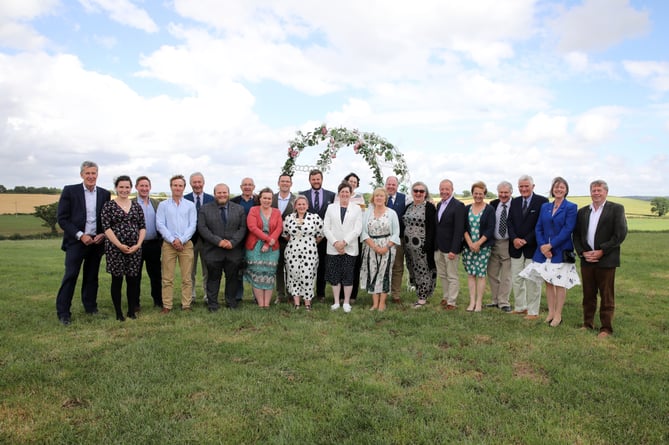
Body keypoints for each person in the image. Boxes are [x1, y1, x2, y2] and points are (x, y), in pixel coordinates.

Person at [55, 161, 111, 325]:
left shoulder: (104, 194)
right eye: (88, 173)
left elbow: (106, 219)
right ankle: (63, 312)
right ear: (81, 175)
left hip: (96, 242)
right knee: (71, 275)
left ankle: (91, 307)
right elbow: (62, 219)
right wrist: (80, 235)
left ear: (97, 175)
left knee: (91, 276)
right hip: (76, 242)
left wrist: (102, 234)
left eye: (94, 173)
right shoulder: (70, 191)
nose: (91, 176)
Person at [520, 176, 580, 327]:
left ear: (566, 190)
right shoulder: (545, 207)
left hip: (560, 250)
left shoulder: (571, 207)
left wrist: (551, 245)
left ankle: (558, 315)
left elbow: (568, 229)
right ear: (552, 189)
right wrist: (542, 246)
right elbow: (538, 227)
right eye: (556, 187)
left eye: (562, 187)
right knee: (548, 282)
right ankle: (551, 312)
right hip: (543, 252)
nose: (559, 189)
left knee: (560, 283)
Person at [573, 180, 627, 338]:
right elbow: (576, 235)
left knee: (606, 295)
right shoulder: (583, 212)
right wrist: (583, 253)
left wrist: (602, 250)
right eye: (593, 190)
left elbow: (620, 234)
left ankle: (606, 328)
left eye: (599, 190)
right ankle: (587, 323)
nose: (596, 193)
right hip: (587, 259)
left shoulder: (616, 209)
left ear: (606, 192)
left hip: (606, 259)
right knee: (588, 294)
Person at [101, 175, 146, 321]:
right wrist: (119, 245)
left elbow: (142, 227)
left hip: (134, 249)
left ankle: (131, 310)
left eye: (127, 187)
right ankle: (118, 312)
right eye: (121, 187)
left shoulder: (136, 206)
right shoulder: (109, 206)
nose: (124, 190)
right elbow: (106, 228)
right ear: (116, 188)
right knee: (117, 280)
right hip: (115, 249)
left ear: (131, 188)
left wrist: (138, 245)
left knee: (133, 280)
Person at [198, 183, 247, 311]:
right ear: (215, 194)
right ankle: (212, 304)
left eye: (224, 192)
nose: (222, 195)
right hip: (213, 250)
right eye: (219, 193)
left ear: (228, 193)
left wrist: (233, 242)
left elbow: (242, 228)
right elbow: (202, 228)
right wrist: (218, 242)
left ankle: (231, 302)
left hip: (233, 250)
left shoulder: (239, 209)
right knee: (213, 278)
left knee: (232, 278)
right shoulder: (205, 209)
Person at [507, 175, 548, 319]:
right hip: (516, 247)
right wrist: (514, 239)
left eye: (526, 186)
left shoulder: (542, 202)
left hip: (533, 248)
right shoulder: (515, 202)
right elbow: (509, 222)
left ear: (533, 186)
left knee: (532, 280)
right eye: (521, 186)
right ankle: (520, 307)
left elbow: (541, 224)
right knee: (517, 279)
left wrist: (525, 240)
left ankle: (533, 311)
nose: (523, 189)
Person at [156, 175, 197, 313]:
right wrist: (172, 240)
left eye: (180, 185)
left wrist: (182, 240)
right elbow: (160, 224)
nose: (177, 188)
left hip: (186, 244)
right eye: (175, 185)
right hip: (169, 244)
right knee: (167, 277)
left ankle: (186, 304)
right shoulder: (163, 205)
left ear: (184, 188)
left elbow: (192, 225)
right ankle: (167, 305)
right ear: (171, 186)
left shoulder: (190, 205)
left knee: (187, 277)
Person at [323, 182, 362, 313]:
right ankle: (335, 302)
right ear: (338, 193)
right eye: (342, 192)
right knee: (335, 276)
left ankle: (346, 302)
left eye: (347, 192)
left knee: (348, 275)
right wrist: (336, 243)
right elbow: (326, 228)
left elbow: (357, 229)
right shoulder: (330, 208)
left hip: (349, 247)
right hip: (333, 247)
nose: (344, 194)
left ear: (351, 194)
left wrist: (344, 242)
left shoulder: (356, 209)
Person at [360, 188, 400, 311]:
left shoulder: (392, 213)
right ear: (373, 198)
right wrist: (374, 246)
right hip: (371, 246)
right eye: (376, 195)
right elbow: (364, 232)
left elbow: (396, 233)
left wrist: (386, 247)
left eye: (381, 196)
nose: (378, 198)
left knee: (384, 273)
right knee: (373, 272)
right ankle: (375, 303)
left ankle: (382, 302)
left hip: (387, 247)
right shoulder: (367, 213)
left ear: (385, 198)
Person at [282, 195, 324, 310]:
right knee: (293, 275)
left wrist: (311, 242)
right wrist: (295, 242)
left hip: (309, 252)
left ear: (307, 205)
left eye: (303, 204)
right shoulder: (289, 218)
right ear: (295, 206)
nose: (301, 206)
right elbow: (285, 234)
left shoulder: (314, 218)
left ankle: (307, 303)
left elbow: (321, 234)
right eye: (299, 204)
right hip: (292, 252)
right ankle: (296, 303)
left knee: (308, 276)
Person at [300, 169, 336, 301]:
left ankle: (320, 293)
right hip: (307, 238)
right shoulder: (302, 195)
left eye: (318, 179)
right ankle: (304, 293)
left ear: (322, 179)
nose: (316, 181)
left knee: (322, 265)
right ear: (310, 180)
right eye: (313, 179)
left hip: (325, 238)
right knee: (305, 266)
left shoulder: (331, 195)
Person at [245, 187, 283, 308]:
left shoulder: (277, 212)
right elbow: (252, 227)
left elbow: (279, 228)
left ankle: (267, 304)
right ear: (260, 199)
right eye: (264, 198)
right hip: (256, 246)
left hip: (272, 247)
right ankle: (260, 304)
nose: (267, 200)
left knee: (269, 274)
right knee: (257, 274)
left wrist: (268, 243)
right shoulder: (253, 210)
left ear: (272, 199)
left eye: (269, 198)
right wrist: (267, 239)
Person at [462, 181, 495, 312]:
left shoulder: (489, 210)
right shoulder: (466, 209)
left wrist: (478, 244)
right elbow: (464, 227)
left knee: (481, 275)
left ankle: (479, 303)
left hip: (483, 246)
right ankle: (471, 302)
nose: (478, 196)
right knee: (471, 274)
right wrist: (470, 243)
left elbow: (490, 229)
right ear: (472, 194)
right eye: (475, 193)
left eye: (480, 193)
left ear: (484, 194)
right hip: (468, 246)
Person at [403, 181, 437, 308]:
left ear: (425, 193)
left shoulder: (429, 207)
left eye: (421, 191)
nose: (418, 193)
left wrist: (428, 245)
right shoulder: (409, 206)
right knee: (413, 270)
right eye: (416, 191)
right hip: (409, 248)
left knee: (423, 271)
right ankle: (419, 293)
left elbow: (432, 228)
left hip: (422, 247)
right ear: (412, 193)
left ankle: (422, 298)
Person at [434, 179, 466, 310]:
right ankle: (446, 297)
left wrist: (454, 249)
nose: (444, 192)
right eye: (442, 189)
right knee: (442, 274)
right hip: (439, 247)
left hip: (451, 248)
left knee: (452, 275)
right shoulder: (439, 205)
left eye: (447, 189)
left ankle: (452, 302)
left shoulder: (458, 205)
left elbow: (459, 230)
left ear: (452, 190)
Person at [335, 172, 365, 304]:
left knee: (353, 267)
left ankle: (352, 296)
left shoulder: (360, 198)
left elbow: (361, 218)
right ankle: (340, 296)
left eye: (355, 182)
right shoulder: (338, 197)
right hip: (339, 239)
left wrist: (349, 239)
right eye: (350, 181)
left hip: (354, 238)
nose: (352, 183)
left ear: (357, 185)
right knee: (340, 267)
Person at [184, 172, 214, 304]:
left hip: (207, 240)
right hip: (190, 240)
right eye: (194, 182)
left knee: (207, 270)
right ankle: (191, 296)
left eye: (199, 182)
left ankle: (208, 295)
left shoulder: (212, 199)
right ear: (190, 184)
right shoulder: (184, 199)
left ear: (203, 183)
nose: (197, 185)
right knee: (190, 270)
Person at [133, 175, 162, 309]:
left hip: (153, 244)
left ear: (150, 187)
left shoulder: (156, 204)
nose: (144, 188)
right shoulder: (131, 203)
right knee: (135, 275)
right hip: (136, 245)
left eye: (146, 186)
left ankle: (158, 301)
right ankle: (135, 303)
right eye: (141, 186)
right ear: (136, 187)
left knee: (156, 275)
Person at [486, 181, 513, 312]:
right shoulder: (493, 204)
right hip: (494, 243)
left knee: (506, 275)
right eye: (501, 192)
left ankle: (504, 302)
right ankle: (495, 300)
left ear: (511, 193)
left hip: (508, 243)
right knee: (491, 273)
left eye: (506, 192)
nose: (503, 195)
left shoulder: (516, 205)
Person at [231, 177, 258, 301]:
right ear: (241, 187)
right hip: (238, 240)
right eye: (245, 185)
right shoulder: (233, 201)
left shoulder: (259, 200)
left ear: (254, 187)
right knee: (238, 267)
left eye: (250, 184)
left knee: (255, 268)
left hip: (255, 239)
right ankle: (238, 295)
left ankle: (256, 295)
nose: (247, 187)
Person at [271, 174, 296, 304]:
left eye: (287, 181)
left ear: (291, 184)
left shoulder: (295, 200)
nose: (285, 183)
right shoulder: (272, 199)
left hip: (290, 240)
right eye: (282, 181)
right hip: (274, 240)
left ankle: (292, 294)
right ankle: (280, 294)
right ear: (278, 183)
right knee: (278, 267)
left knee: (291, 268)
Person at [385, 176, 407, 303]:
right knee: (383, 266)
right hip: (382, 239)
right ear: (385, 184)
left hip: (398, 239)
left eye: (393, 184)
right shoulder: (380, 197)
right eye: (389, 184)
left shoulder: (404, 198)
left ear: (397, 186)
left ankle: (395, 294)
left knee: (397, 266)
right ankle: (382, 292)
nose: (391, 187)